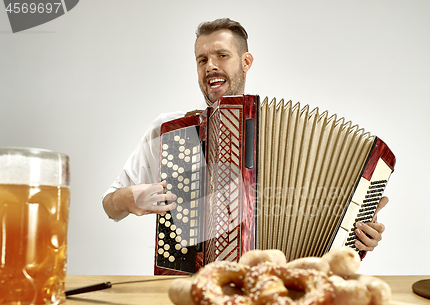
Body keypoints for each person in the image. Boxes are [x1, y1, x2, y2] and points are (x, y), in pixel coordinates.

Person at [102, 18, 388, 253]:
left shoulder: (295, 142)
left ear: (245, 61)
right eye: (202, 59)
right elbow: (110, 205)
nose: (210, 66)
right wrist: (127, 199)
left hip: (280, 287)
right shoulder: (173, 132)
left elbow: (325, 220)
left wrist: (357, 233)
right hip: (198, 286)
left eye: (221, 56)